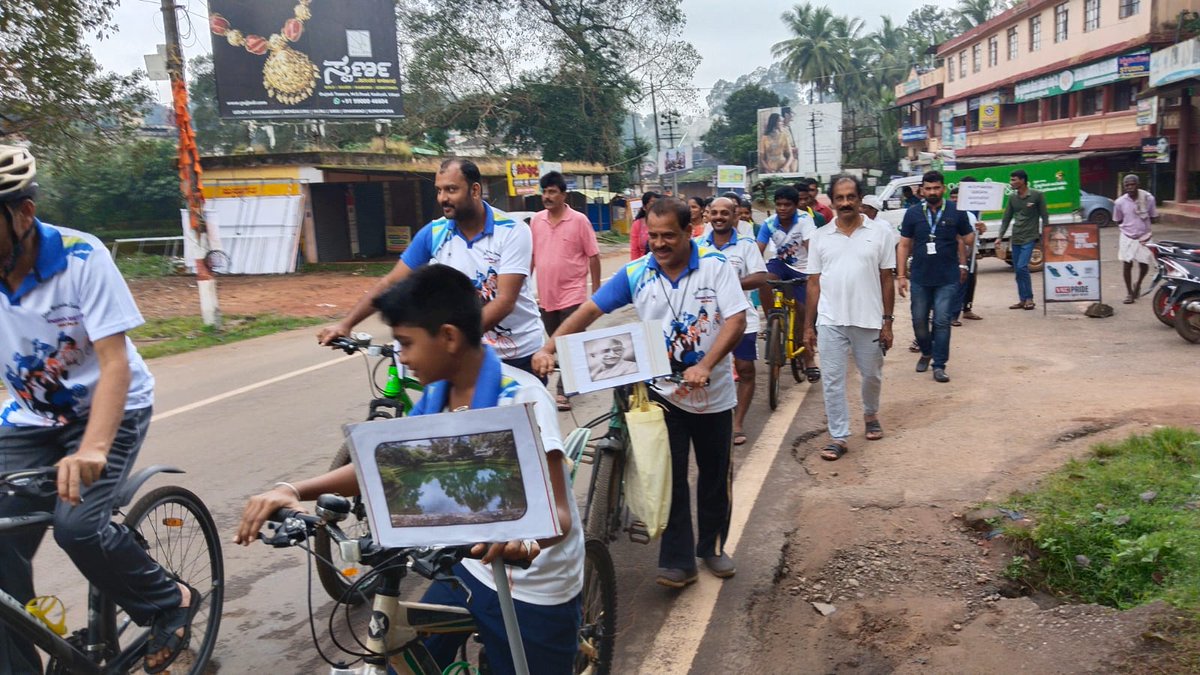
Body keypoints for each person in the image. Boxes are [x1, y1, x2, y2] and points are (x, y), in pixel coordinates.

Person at [236, 265, 583, 675]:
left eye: (406, 343)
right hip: (469, 568)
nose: (401, 357)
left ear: (449, 337)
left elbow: (559, 514)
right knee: (407, 654)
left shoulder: (521, 401)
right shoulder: (437, 393)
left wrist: (524, 540)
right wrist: (292, 489)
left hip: (531, 586)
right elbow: (388, 465)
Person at [0, 145, 193, 674]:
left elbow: (114, 364)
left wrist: (94, 448)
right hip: (30, 418)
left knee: (78, 527)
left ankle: (165, 601)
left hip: (110, 409)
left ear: (22, 214)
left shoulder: (82, 256)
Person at [531, 198, 749, 588]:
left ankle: (712, 547)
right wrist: (549, 348)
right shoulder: (637, 272)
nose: (660, 244)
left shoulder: (716, 267)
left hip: (713, 394)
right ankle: (678, 561)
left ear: (689, 231)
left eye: (669, 236)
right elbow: (588, 312)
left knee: (716, 476)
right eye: (654, 236)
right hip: (663, 395)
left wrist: (706, 365)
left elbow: (736, 320)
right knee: (670, 476)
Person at [317, 159, 545, 377]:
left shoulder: (511, 231)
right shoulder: (434, 233)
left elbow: (505, 301)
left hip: (516, 353)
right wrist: (346, 325)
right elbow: (390, 282)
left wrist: (451, 340)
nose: (443, 198)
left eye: (452, 190)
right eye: (439, 190)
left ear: (475, 191)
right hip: (465, 355)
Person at [803, 175, 896, 461]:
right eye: (839, 198)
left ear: (859, 199)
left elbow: (887, 279)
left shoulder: (880, 232)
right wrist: (808, 325)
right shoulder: (820, 237)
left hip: (868, 319)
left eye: (850, 197)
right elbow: (814, 283)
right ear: (831, 201)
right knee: (832, 380)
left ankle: (870, 414)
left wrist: (888, 321)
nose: (845, 203)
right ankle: (838, 436)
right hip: (830, 320)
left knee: (871, 375)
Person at [530, 170, 601, 410]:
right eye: (544, 192)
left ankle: (563, 390)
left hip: (574, 293)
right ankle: (576, 375)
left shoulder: (579, 220)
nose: (547, 196)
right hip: (547, 295)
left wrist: (597, 291)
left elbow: (593, 256)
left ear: (563, 195)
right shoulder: (536, 221)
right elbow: (531, 256)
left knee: (568, 342)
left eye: (552, 192)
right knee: (557, 342)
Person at [701, 197, 767, 446]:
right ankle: (711, 418)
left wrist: (729, 286)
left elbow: (761, 276)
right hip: (707, 322)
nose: (719, 217)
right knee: (709, 371)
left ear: (735, 216)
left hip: (742, 318)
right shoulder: (697, 246)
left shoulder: (747, 245)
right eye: (714, 213)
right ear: (708, 216)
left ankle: (737, 423)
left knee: (745, 369)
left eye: (725, 213)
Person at [896, 171, 974, 384]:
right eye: (928, 188)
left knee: (941, 320)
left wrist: (977, 231)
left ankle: (939, 365)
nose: (932, 192)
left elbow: (967, 240)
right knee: (919, 321)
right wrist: (901, 275)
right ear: (922, 189)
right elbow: (904, 245)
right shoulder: (912, 213)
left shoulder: (957, 210)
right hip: (920, 277)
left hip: (947, 277)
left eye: (936, 188)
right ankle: (927, 351)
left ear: (943, 188)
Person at [757, 186, 820, 382]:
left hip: (804, 267)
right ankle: (772, 322)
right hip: (780, 265)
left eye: (787, 205)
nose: (783, 208)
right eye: (779, 204)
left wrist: (816, 274)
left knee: (804, 313)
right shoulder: (768, 224)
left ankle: (809, 359)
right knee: (765, 279)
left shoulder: (804, 221)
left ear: (795, 206)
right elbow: (757, 251)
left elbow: (812, 248)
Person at [997, 169, 1049, 310]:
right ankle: (1022, 299)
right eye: (1011, 180)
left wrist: (1046, 235)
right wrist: (1000, 237)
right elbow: (1006, 218)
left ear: (1023, 180)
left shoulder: (1037, 195)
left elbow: (1045, 216)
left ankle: (1029, 299)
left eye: (1014, 180)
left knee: (1022, 267)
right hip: (1016, 237)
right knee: (1017, 269)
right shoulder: (1013, 198)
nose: (1011, 183)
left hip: (1030, 237)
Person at [1112, 174, 1158, 303]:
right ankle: (1129, 293)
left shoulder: (1149, 199)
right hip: (1127, 236)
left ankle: (1138, 285)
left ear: (1138, 185)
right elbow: (1118, 219)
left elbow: (1153, 216)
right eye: (1127, 185)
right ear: (1124, 187)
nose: (1130, 187)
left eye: (1132, 184)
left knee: (1144, 264)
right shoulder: (1119, 202)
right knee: (1127, 264)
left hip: (1145, 236)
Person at [949, 177, 985, 324]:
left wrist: (980, 229)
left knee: (968, 283)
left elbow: (971, 236)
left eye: (957, 198)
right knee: (956, 285)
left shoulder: (969, 215)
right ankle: (952, 315)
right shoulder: (945, 213)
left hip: (969, 255)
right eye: (952, 198)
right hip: (951, 257)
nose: (954, 201)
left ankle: (967, 309)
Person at [630, 191, 660, 260]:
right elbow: (634, 250)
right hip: (643, 264)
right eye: (652, 204)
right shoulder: (637, 224)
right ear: (644, 207)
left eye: (657, 204)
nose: (655, 207)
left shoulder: (664, 223)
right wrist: (636, 269)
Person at [781, 107, 799, 173]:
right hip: (785, 158)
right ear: (786, 114)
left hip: (794, 156)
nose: (793, 115)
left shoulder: (789, 127)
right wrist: (792, 149)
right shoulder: (781, 128)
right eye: (791, 113)